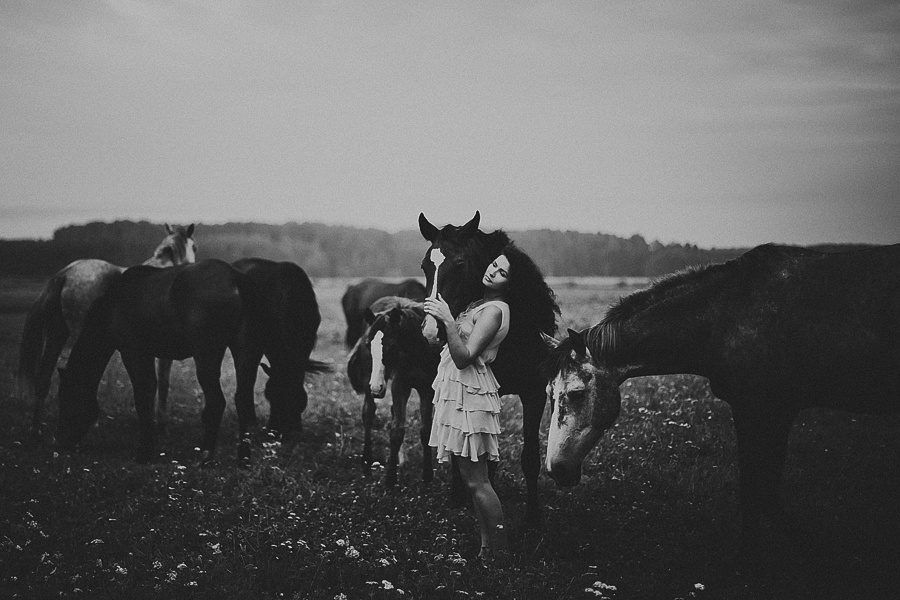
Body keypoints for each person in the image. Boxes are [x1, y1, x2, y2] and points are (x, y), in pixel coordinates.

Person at [424, 242, 558, 565]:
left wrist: (447, 319)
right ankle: (487, 549)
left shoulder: (496, 311)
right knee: (474, 481)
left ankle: (501, 554)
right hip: (461, 392)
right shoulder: (480, 304)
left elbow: (464, 357)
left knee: (478, 482)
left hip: (471, 395)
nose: (493, 271)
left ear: (510, 284)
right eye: (494, 264)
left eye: (502, 273)